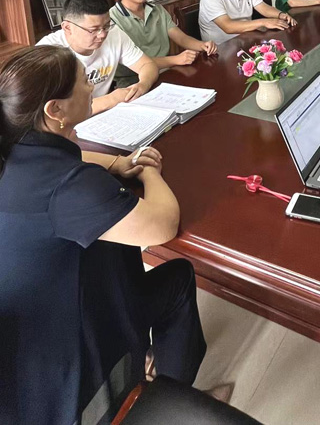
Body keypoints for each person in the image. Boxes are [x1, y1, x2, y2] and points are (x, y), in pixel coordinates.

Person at [0, 45, 207, 425]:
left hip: (31, 319)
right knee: (178, 278)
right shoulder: (68, 188)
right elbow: (162, 225)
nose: (92, 88)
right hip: (69, 338)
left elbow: (72, 157)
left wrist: (116, 162)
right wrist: (148, 170)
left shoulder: (15, 147)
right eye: (84, 82)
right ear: (55, 110)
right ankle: (171, 404)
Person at [37, 0, 159, 113]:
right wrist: (110, 99)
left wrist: (143, 84)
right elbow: (53, 110)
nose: (102, 35)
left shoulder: (114, 33)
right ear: (67, 27)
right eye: (93, 29)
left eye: (106, 26)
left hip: (104, 113)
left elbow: (147, 65)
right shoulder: (47, 52)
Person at [110, 0, 218, 87]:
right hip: (134, 82)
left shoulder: (157, 10)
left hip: (166, 73)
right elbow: (131, 63)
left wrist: (202, 45)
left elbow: (181, 38)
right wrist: (175, 60)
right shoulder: (111, 20)